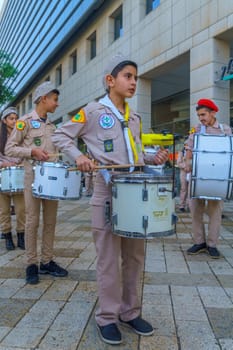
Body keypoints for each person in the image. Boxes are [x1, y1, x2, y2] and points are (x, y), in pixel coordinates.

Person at [52, 54, 168, 345]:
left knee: (134, 258)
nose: (133, 82)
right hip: (107, 195)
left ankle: (130, 312)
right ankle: (107, 317)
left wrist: (153, 158)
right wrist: (79, 156)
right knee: (108, 261)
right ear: (110, 80)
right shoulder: (92, 111)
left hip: (135, 192)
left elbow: (136, 156)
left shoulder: (135, 118)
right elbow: (60, 136)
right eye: (128, 76)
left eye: (135, 78)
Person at [5, 81, 68, 284]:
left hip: (52, 181)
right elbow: (9, 149)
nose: (57, 104)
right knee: (32, 222)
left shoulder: (52, 125)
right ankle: (31, 264)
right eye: (55, 100)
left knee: (51, 222)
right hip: (32, 179)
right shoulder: (23, 122)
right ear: (44, 99)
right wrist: (31, 151)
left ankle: (47, 261)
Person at [185, 98, 232, 259]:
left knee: (215, 213)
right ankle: (199, 242)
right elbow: (188, 149)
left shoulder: (225, 130)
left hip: (217, 179)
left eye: (203, 114)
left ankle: (212, 245)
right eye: (199, 115)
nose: (201, 118)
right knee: (196, 212)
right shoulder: (197, 130)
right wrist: (186, 163)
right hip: (197, 178)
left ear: (213, 113)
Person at [0, 107, 25, 250]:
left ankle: (21, 235)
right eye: (11, 118)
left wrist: (22, 162)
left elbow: (25, 152)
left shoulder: (21, 136)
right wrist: (3, 163)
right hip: (2, 176)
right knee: (3, 210)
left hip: (18, 175)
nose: (14, 121)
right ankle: (7, 235)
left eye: (16, 118)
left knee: (22, 209)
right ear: (4, 120)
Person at [177, 140, 190, 212]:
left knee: (190, 190)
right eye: (186, 144)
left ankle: (189, 205)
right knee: (183, 188)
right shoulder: (181, 152)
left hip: (191, 172)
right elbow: (178, 162)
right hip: (183, 172)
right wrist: (185, 166)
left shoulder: (193, 152)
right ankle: (182, 205)